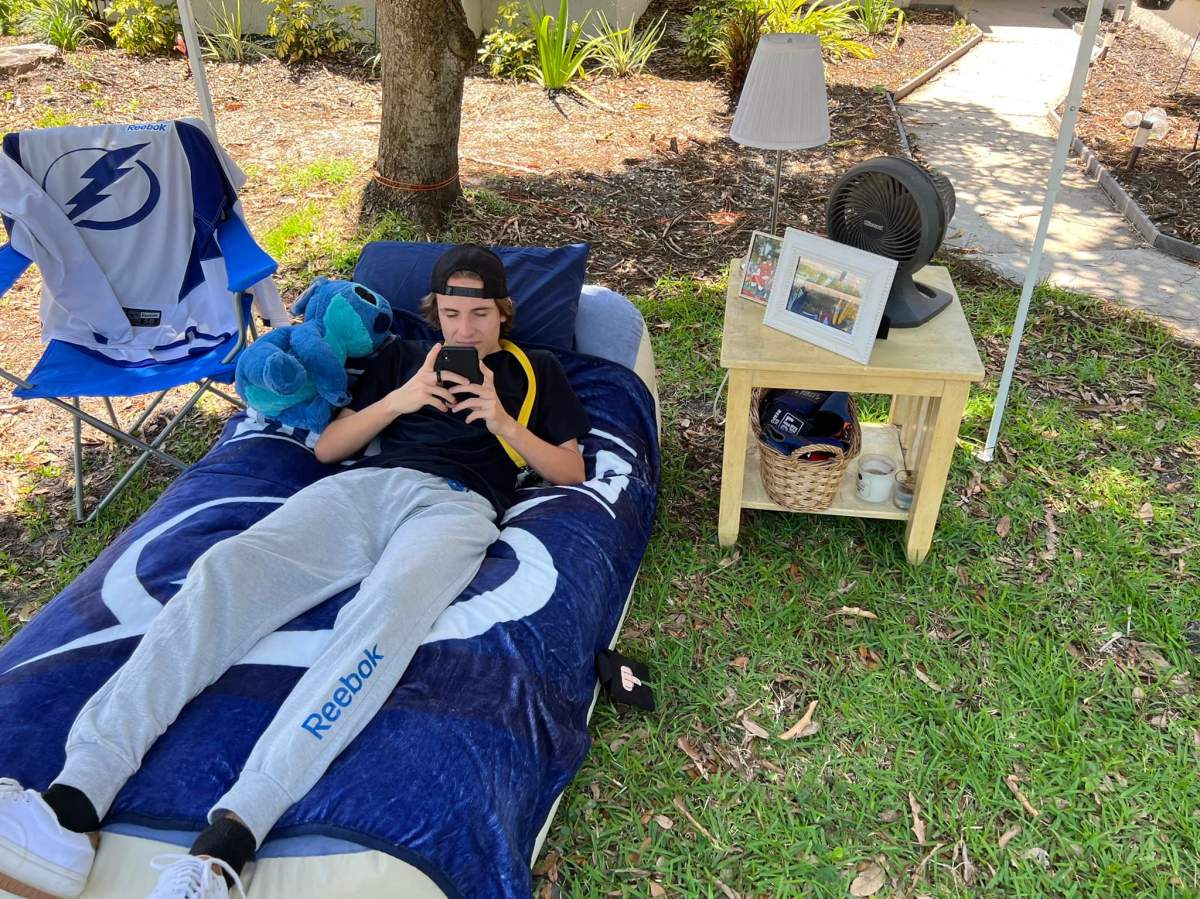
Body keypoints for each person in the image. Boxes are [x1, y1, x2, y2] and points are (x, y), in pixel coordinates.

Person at [0, 245, 592, 899]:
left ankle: (228, 844)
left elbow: (570, 469)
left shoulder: (534, 370)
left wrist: (502, 420)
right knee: (225, 570)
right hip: (361, 488)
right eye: (451, 313)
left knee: (385, 617)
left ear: (503, 313)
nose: (463, 330)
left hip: (457, 504)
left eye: (479, 314)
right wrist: (401, 398)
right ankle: (74, 800)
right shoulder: (402, 359)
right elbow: (329, 446)